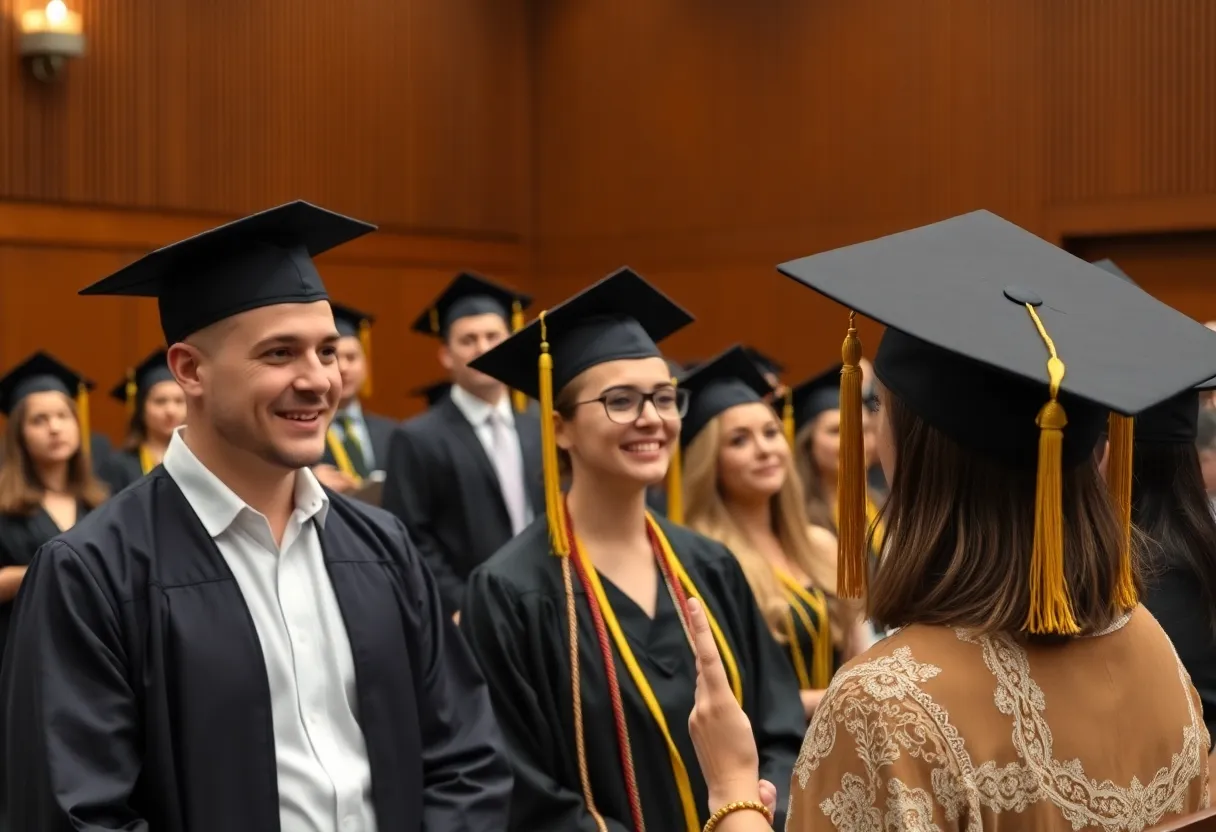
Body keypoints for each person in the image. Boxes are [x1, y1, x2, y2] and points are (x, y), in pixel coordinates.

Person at [0, 201, 511, 831]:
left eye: (327, 351)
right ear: (190, 370)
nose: (319, 379)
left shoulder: (380, 547)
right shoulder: (93, 573)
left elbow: (466, 759)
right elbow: (75, 814)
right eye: (279, 355)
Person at [760, 210, 1214, 828]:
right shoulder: (1150, 646)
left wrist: (734, 800)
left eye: (880, 408)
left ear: (917, 449)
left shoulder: (888, 706)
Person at [459, 268, 806, 832]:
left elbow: (781, 730)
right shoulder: (510, 592)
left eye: (665, 397)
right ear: (559, 427)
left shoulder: (709, 566)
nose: (651, 418)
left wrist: (755, 815)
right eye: (621, 400)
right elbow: (523, 789)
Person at [678, 345, 868, 719]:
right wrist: (841, 698)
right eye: (739, 440)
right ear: (709, 462)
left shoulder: (822, 545)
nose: (764, 449)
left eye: (770, 432)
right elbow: (729, 703)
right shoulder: (705, 562)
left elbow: (861, 661)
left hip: (848, 749)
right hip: (770, 761)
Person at [382, 271, 542, 619]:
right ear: (446, 355)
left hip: (539, 603)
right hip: (463, 615)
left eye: (493, 336)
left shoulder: (537, 430)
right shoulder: (418, 437)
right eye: (468, 339)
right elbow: (410, 536)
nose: (483, 348)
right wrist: (460, 603)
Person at [0, 352, 108, 662]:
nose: (55, 428)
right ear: (19, 434)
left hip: (91, 654)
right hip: (20, 652)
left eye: (64, 416)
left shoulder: (101, 501)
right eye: (39, 420)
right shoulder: (5, 506)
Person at [783, 365, 886, 562]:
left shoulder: (886, 506)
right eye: (836, 431)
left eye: (863, 429)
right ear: (807, 444)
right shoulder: (798, 522)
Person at [313, 302, 396, 494]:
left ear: (366, 365)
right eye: (332, 357)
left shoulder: (392, 433)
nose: (343, 368)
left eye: (351, 358)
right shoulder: (296, 430)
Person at [99, 348, 187, 493]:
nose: (170, 410)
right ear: (141, 408)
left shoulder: (201, 461)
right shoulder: (119, 466)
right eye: (160, 401)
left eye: (179, 401)